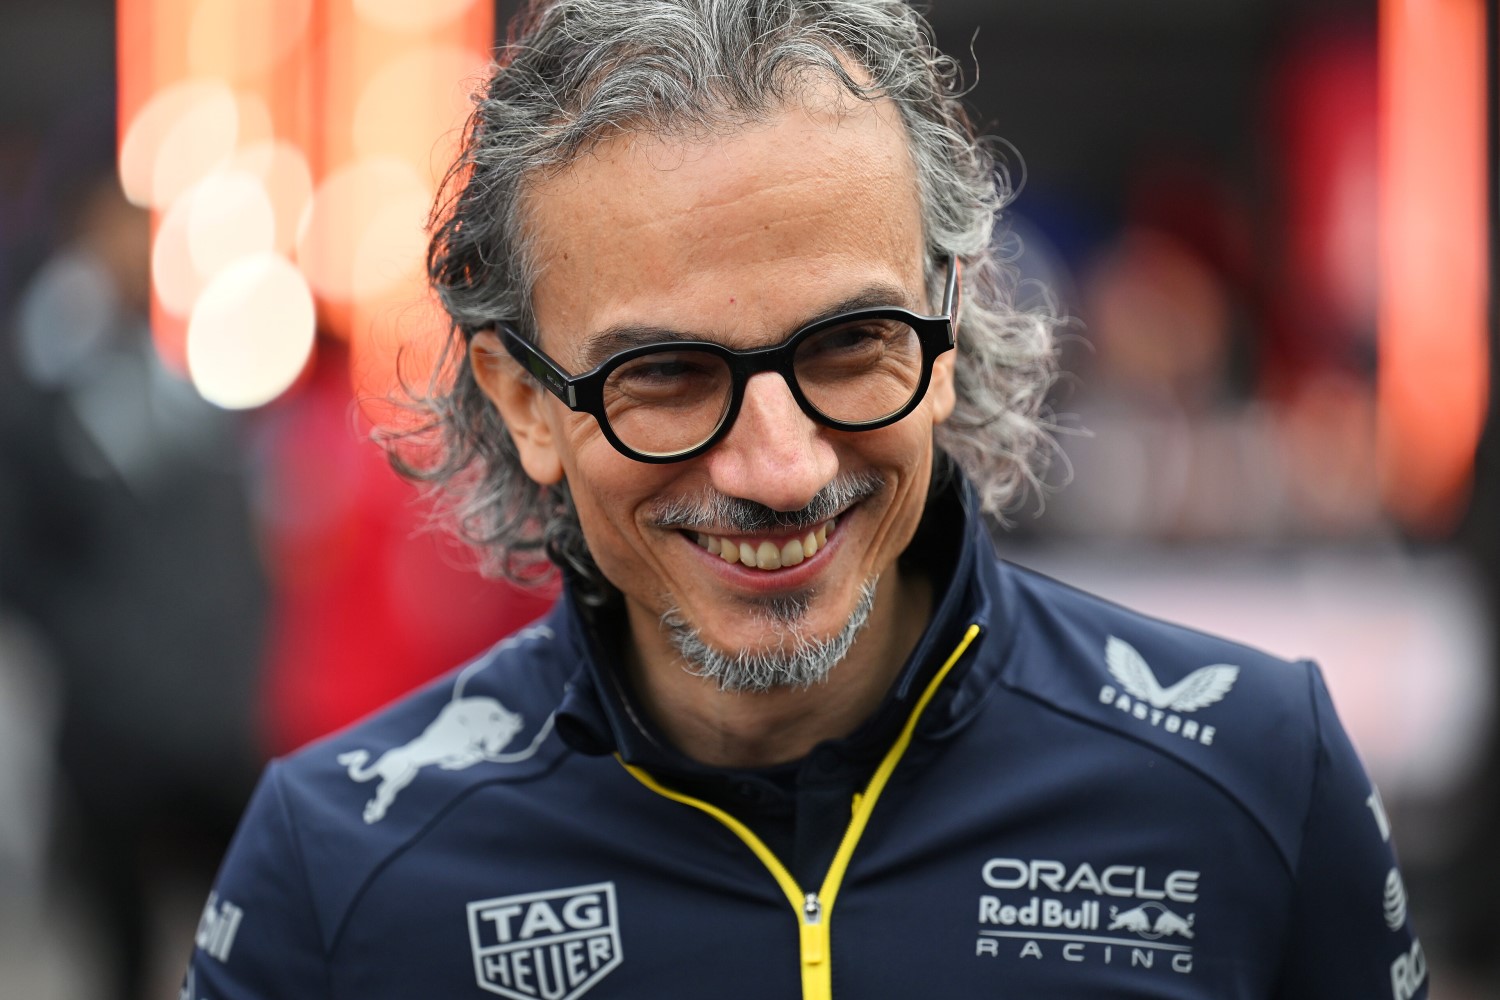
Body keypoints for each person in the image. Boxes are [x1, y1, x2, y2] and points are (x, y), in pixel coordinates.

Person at [182, 1, 1427, 997]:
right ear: (522, 403)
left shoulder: (1257, 774)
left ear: (946, 332)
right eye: (663, 375)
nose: (779, 467)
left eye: (849, 346)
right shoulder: (336, 866)